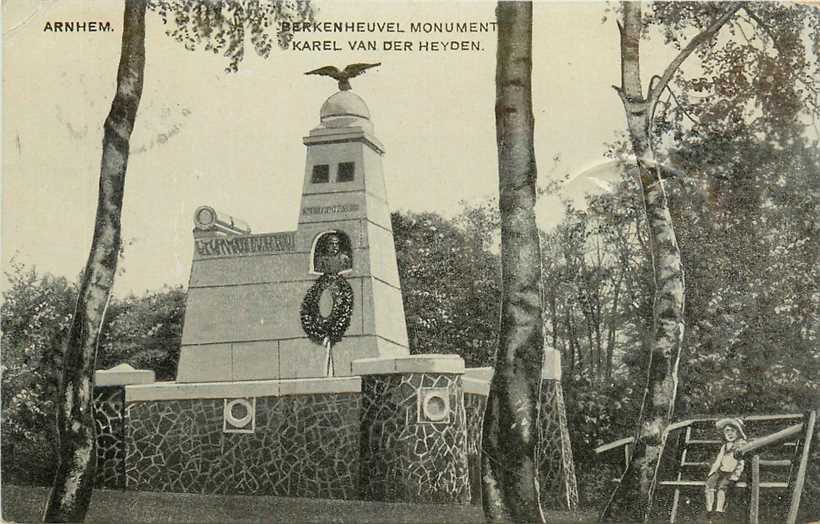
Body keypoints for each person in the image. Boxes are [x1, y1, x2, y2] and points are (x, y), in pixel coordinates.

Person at [705, 417, 748, 521]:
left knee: (722, 487)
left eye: (733, 431)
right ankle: (710, 509)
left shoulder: (740, 444)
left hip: (733, 472)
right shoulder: (724, 446)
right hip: (722, 470)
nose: (730, 434)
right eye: (727, 431)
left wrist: (736, 475)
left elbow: (741, 462)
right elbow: (718, 460)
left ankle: (719, 510)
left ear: (738, 432)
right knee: (710, 484)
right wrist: (712, 472)